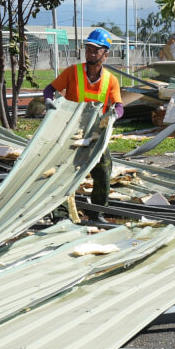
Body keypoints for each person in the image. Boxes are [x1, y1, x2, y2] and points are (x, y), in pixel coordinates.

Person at [42, 27, 123, 222]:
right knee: (60, 171)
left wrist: (113, 116)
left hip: (95, 133)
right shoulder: (73, 72)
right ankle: (60, 215)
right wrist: (49, 101)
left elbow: (119, 106)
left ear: (105, 54)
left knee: (104, 169)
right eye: (88, 49)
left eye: (95, 50)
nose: (90, 53)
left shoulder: (110, 80)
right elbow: (49, 89)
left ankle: (96, 213)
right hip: (69, 133)